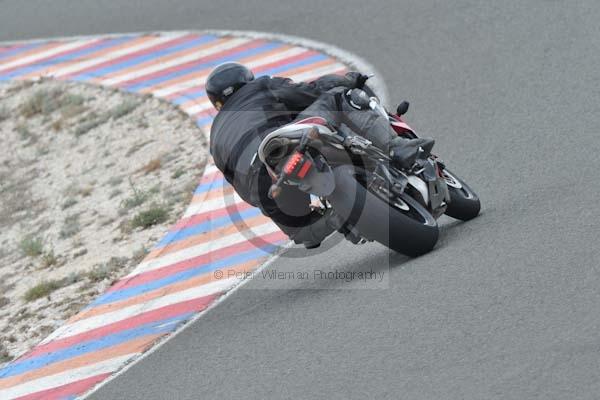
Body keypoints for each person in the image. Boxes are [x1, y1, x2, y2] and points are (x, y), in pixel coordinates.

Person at [207, 62, 434, 248]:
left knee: (304, 233)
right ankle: (395, 147)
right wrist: (348, 81)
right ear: (247, 80)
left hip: (263, 187)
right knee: (336, 97)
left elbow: (243, 191)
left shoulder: (214, 141)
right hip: (283, 143)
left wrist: (272, 202)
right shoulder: (259, 87)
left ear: (216, 103)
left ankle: (338, 218)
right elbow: (309, 92)